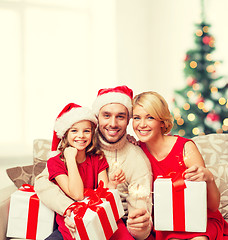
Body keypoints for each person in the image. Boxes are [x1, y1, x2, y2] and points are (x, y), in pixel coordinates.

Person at [34, 85, 153, 240]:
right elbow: (42, 183)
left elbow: (136, 206)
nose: (113, 124)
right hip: (70, 222)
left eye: (120, 117)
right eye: (106, 115)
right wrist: (69, 210)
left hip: (111, 222)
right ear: (97, 118)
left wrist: (140, 225)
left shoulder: (132, 158)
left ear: (127, 120)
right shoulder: (79, 143)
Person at [132, 91, 228, 240]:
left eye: (150, 117)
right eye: (137, 118)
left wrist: (208, 178)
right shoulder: (136, 152)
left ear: (162, 122)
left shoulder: (185, 148)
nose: (141, 124)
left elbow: (213, 206)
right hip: (168, 223)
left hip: (201, 220)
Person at [46, 103, 126, 239]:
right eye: (74, 131)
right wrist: (70, 159)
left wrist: (112, 184)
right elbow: (77, 195)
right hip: (71, 220)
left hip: (97, 215)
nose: (81, 136)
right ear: (65, 134)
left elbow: (104, 193)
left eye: (86, 131)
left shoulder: (97, 158)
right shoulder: (55, 163)